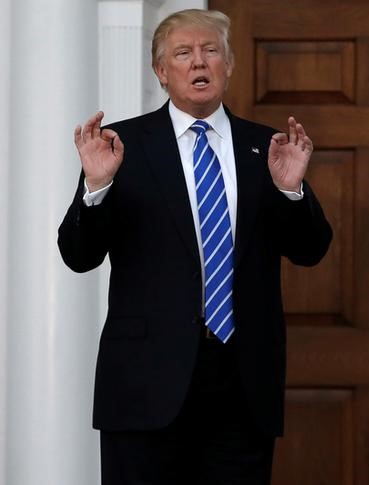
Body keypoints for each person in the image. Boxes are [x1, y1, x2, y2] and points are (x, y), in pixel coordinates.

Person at [58, 9, 331, 485]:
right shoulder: (120, 147)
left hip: (242, 383)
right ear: (161, 72)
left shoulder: (266, 147)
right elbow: (79, 256)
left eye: (210, 52)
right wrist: (96, 187)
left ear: (228, 66)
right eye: (183, 53)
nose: (198, 62)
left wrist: (291, 192)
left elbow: (309, 250)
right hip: (146, 383)